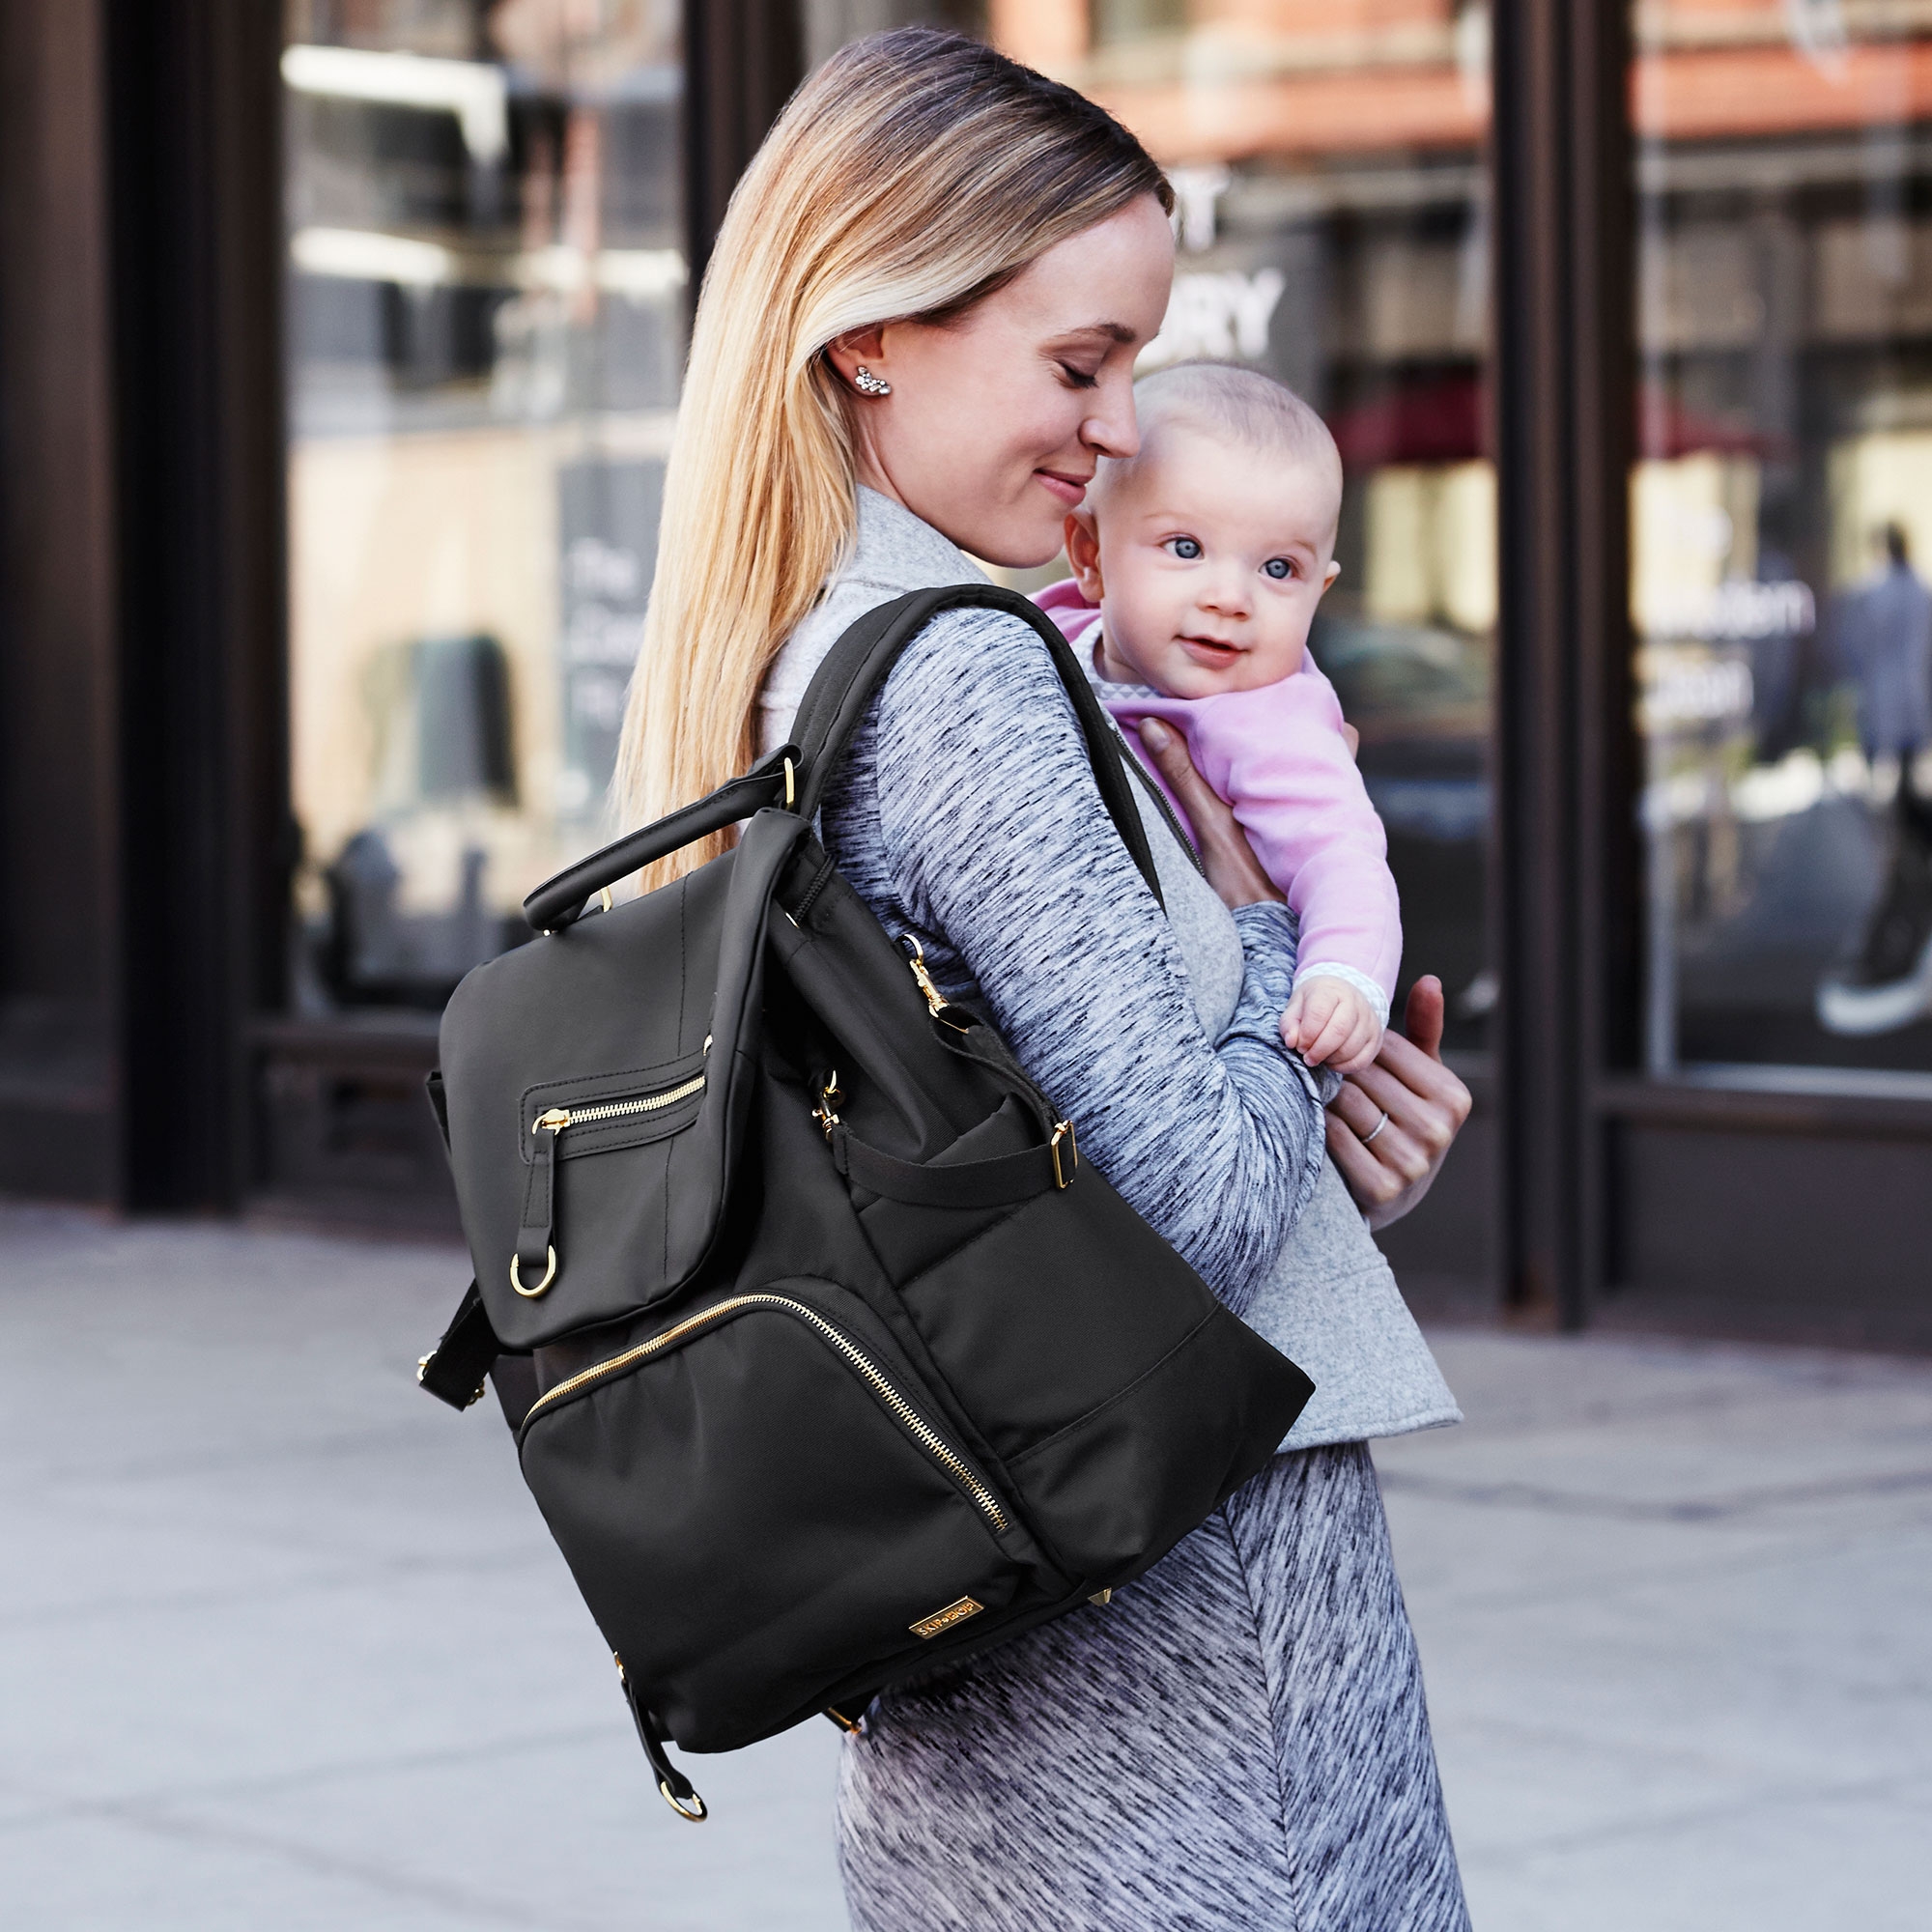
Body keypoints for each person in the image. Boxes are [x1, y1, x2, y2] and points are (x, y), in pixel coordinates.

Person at [617, 29, 1473, 1928]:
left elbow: (1013, 1169)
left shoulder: (776, 659)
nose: (1114, 428)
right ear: (871, 333)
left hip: (974, 1648)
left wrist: (1317, 1125)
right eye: (1078, 363)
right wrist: (1271, 954)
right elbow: (1186, 1200)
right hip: (1192, 1648)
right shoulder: (969, 677)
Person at [1037, 359, 1399, 1074]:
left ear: (1319, 592)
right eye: (1185, 548)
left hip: (1213, 1044)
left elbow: (1342, 857)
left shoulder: (1272, 722)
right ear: (1090, 555)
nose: (1231, 597)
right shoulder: (1042, 647)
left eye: (1277, 570)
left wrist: (1343, 979)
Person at [1818, 522, 1932, 1035]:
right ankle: (1900, 884)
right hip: (1906, 716)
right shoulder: (1914, 595)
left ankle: (1901, 887)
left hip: (1891, 715)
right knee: (1900, 802)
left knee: (1893, 809)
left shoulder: (1876, 598)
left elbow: (1851, 652)